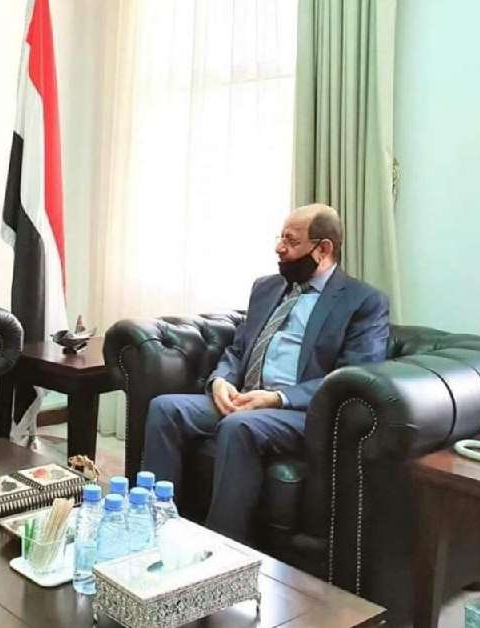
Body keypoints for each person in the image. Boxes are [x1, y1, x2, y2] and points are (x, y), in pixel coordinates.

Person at [142, 204, 390, 543]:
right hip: (244, 397)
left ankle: (221, 551)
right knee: (165, 408)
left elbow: (353, 377)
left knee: (239, 426)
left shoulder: (364, 302)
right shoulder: (267, 287)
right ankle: (152, 529)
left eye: (291, 241)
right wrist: (221, 380)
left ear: (323, 249)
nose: (279, 248)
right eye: (280, 237)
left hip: (299, 411)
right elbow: (238, 349)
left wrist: (277, 398)